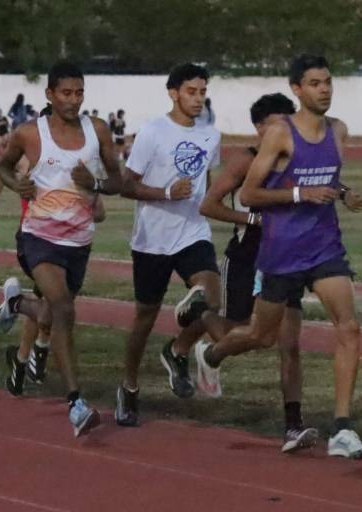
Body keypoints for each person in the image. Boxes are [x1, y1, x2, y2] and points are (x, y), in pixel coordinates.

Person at [195, 54, 362, 459]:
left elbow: (324, 176)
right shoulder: (280, 133)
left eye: (328, 82)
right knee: (261, 335)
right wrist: (298, 194)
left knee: (349, 327)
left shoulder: (338, 130)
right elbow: (251, 194)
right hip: (281, 252)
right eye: (314, 83)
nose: (324, 89)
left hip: (325, 247)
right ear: (297, 89)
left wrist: (342, 193)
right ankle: (213, 352)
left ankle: (342, 428)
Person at [0, 61, 122, 436]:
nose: (73, 100)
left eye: (79, 92)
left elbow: (118, 180)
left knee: (51, 313)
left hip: (78, 242)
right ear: (49, 94)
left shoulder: (96, 130)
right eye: (66, 93)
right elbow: (2, 167)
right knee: (64, 310)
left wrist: (95, 183)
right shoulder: (30, 133)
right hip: (38, 237)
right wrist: (17, 186)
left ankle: (18, 305)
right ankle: (76, 403)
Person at [199, 92, 321, 453]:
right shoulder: (246, 161)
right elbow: (209, 205)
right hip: (247, 257)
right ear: (259, 128)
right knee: (243, 332)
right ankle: (204, 331)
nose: (285, 130)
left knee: (289, 344)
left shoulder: (297, 160)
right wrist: (252, 219)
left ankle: (293, 426)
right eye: (277, 124)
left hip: (287, 261)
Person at [114, 63, 223, 427]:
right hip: (151, 240)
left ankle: (177, 348)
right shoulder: (152, 132)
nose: (198, 98)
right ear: (173, 92)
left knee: (211, 297)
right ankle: (128, 387)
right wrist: (164, 193)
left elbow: (206, 184)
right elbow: (127, 185)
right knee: (144, 318)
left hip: (193, 232)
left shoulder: (211, 135)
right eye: (191, 91)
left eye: (203, 91)